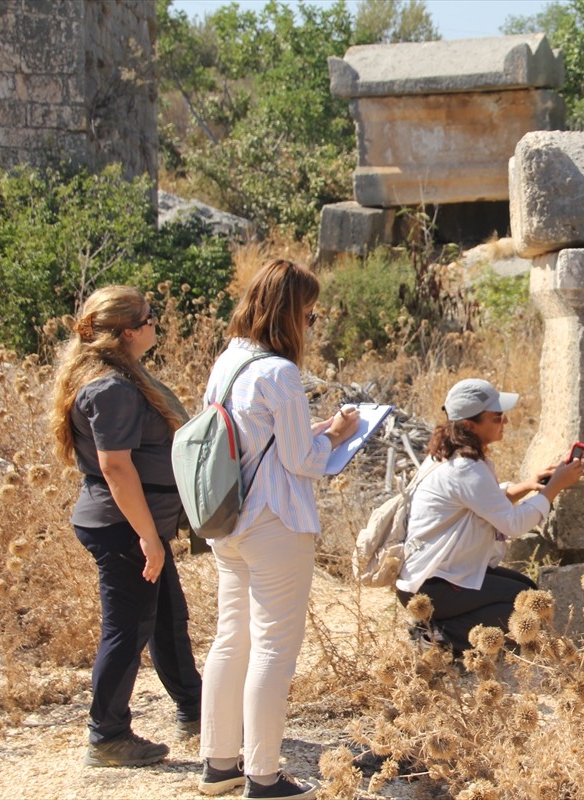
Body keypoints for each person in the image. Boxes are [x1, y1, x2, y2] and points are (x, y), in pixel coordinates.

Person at [197, 259, 358, 800]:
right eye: (309, 316)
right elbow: (303, 460)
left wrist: (315, 432)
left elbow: (253, 438)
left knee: (231, 638)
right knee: (273, 649)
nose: (312, 326)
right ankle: (263, 776)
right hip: (277, 522)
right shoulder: (281, 373)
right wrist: (335, 435)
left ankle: (218, 763)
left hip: (230, 520)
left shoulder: (229, 362)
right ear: (289, 314)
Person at [49, 285, 203, 767]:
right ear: (129, 331)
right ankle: (107, 734)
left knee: (166, 618)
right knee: (128, 628)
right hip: (124, 526)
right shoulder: (111, 388)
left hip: (135, 524)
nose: (157, 324)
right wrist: (147, 538)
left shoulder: (117, 374)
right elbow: (116, 468)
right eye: (151, 317)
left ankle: (196, 711)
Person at [395, 378, 584, 654]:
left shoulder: (453, 457)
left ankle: (441, 629)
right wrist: (556, 487)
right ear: (471, 425)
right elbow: (515, 523)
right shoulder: (466, 468)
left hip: (437, 578)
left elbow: (484, 500)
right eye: (496, 418)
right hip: (431, 588)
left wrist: (530, 485)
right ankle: (437, 638)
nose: (504, 422)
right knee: (524, 608)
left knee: (527, 589)